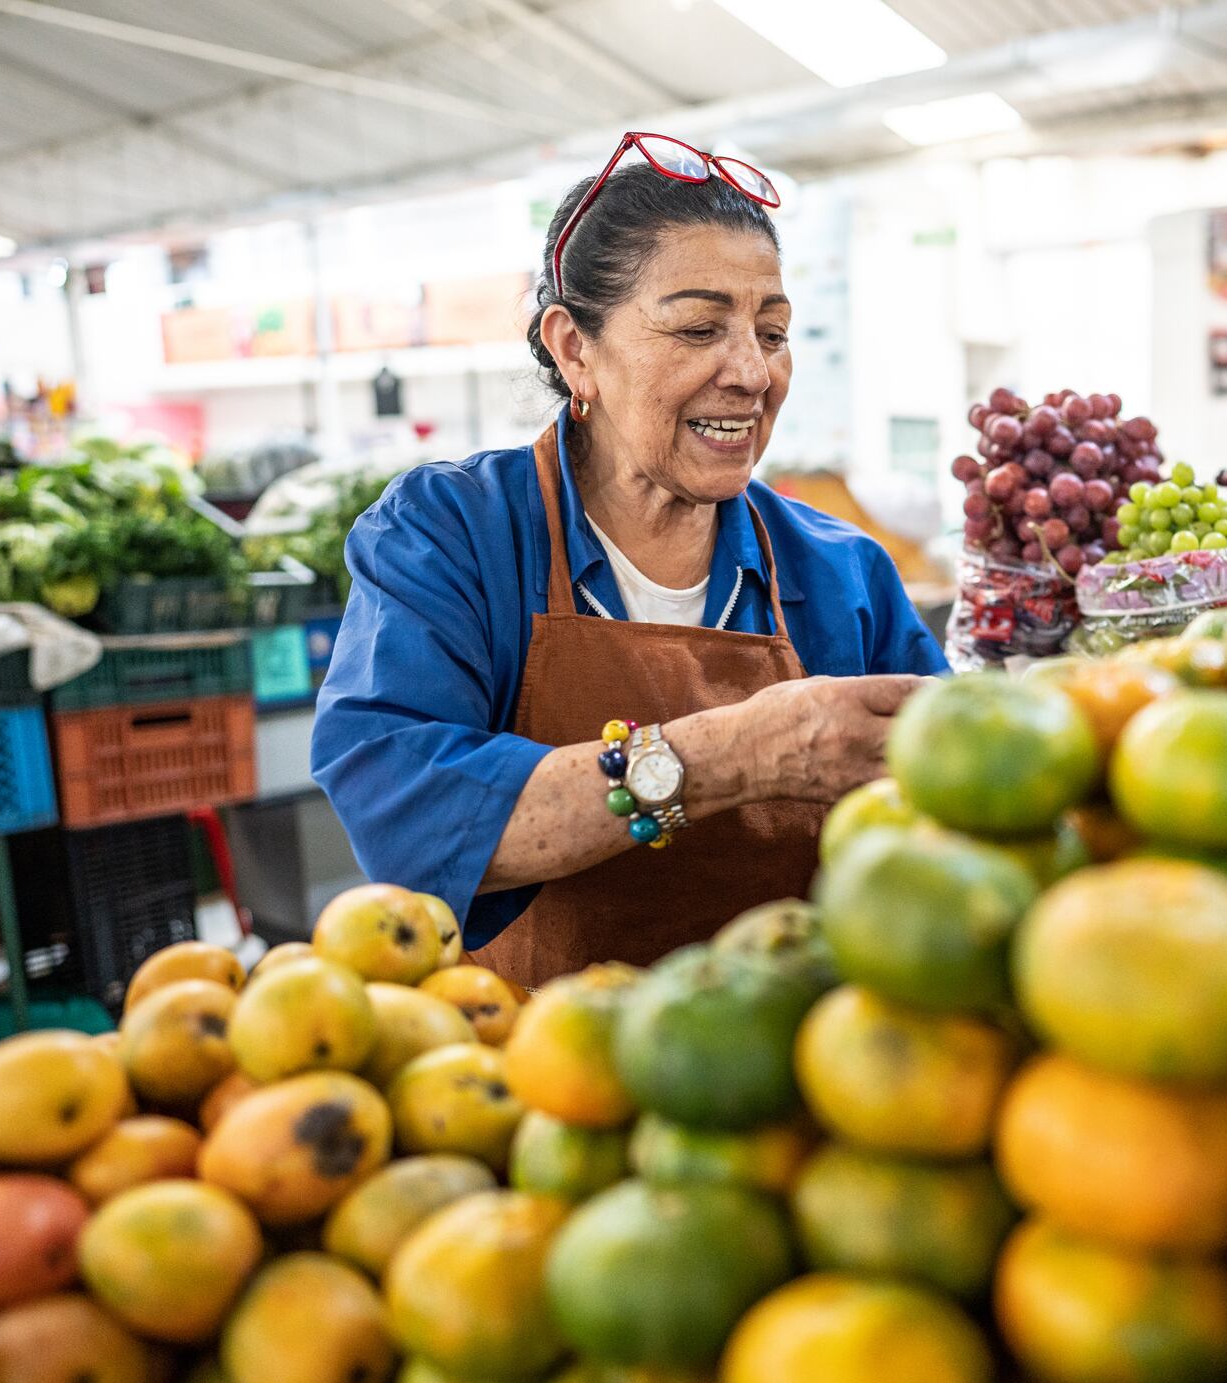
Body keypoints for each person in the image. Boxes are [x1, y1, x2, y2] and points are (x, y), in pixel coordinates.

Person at [313, 133, 946, 985]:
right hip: (531, 1074)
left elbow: (946, 803)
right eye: (697, 328)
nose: (752, 373)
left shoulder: (843, 574)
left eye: (773, 332)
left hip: (792, 1064)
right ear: (576, 349)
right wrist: (735, 753)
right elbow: (406, 817)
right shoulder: (451, 533)